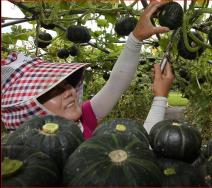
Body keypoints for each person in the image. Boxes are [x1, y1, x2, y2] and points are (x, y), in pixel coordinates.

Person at [1, 1, 174, 139]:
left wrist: (136, 38)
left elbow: (115, 85)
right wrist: (159, 100)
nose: (69, 91)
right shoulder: (43, 169)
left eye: (66, 84)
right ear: (28, 111)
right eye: (53, 90)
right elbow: (139, 160)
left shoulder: (81, 122)